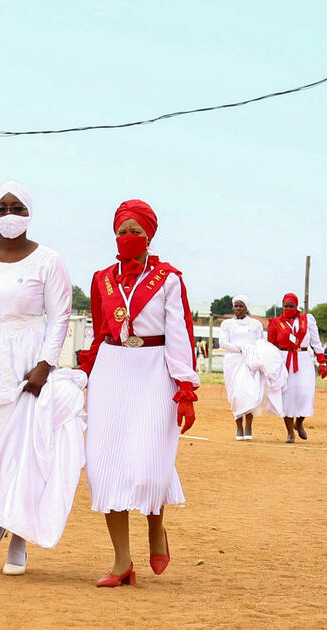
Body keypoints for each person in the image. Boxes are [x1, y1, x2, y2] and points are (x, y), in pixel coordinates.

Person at [0, 181, 86, 576]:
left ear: (29, 213)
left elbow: (58, 316)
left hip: (27, 356)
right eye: (2, 208)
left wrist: (45, 362)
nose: (9, 215)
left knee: (24, 447)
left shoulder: (49, 260)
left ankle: (18, 537)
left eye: (17, 207)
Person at [80, 200, 198, 587]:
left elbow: (180, 336)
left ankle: (156, 527)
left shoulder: (168, 278)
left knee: (148, 465)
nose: (127, 238)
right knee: (104, 466)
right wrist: (85, 372)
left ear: (149, 236)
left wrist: (184, 388)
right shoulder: (102, 279)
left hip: (153, 370)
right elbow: (98, 331)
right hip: (112, 371)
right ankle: (122, 563)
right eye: (121, 231)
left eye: (136, 232)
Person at [219, 295, 286, 440]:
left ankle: (248, 426)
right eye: (236, 306)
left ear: (246, 308)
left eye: (241, 306)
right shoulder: (226, 324)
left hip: (251, 361)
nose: (238, 309)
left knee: (251, 392)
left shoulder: (256, 324)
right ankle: (238, 426)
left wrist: (253, 352)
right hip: (233, 361)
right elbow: (222, 343)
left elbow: (260, 342)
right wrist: (241, 348)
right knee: (235, 395)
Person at [267, 293, 327, 443]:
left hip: (303, 359)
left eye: (291, 306)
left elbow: (316, 342)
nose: (288, 309)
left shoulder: (307, 320)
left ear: (296, 306)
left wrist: (322, 362)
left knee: (306, 393)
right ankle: (289, 433)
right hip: (284, 360)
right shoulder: (275, 322)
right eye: (285, 306)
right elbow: (271, 345)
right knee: (286, 396)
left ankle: (298, 424)